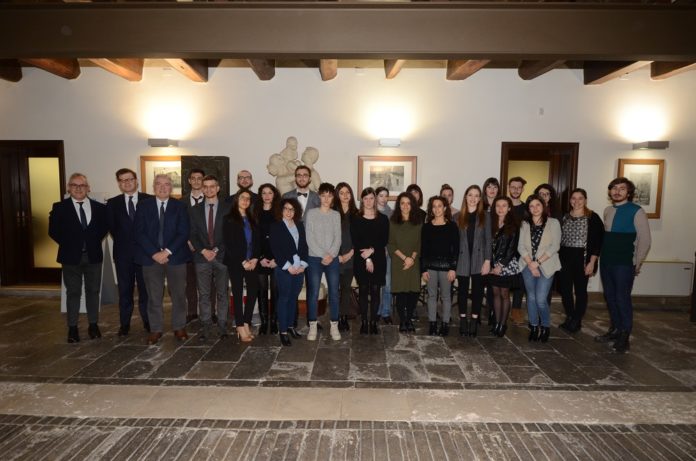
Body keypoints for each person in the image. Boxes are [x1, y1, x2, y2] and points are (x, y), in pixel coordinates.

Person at [49, 172, 109, 343]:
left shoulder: (99, 208)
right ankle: (73, 328)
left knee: (93, 291)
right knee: (73, 292)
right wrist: (71, 244)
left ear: (88, 188)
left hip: (93, 256)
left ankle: (93, 325)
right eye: (74, 185)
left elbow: (103, 229)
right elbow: (53, 231)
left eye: (82, 185)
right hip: (70, 258)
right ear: (69, 188)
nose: (78, 188)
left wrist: (90, 242)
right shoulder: (59, 207)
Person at [595, 177, 651, 353]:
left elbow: (645, 240)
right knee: (610, 297)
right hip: (607, 261)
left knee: (622, 299)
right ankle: (615, 330)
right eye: (614, 188)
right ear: (610, 191)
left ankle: (624, 337)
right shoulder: (608, 210)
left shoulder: (637, 211)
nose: (617, 191)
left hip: (624, 263)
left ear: (628, 192)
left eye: (622, 188)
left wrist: (637, 263)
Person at [135, 174, 191, 345]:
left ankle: (179, 327)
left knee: (179, 295)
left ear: (171, 188)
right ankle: (156, 329)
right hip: (150, 258)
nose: (162, 187)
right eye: (158, 184)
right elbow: (139, 232)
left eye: (166, 184)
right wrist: (154, 253)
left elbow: (184, 232)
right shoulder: (143, 206)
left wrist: (166, 252)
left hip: (175, 256)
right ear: (153, 187)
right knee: (154, 296)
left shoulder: (180, 206)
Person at [106, 168, 152, 337]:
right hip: (123, 255)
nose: (127, 182)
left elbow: (153, 226)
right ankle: (124, 324)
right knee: (125, 290)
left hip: (145, 254)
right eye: (123, 180)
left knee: (145, 290)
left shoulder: (149, 200)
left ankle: (148, 321)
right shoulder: (112, 203)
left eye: (130, 179)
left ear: (136, 181)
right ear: (119, 183)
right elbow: (112, 228)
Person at [189, 175, 232, 341]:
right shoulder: (194, 210)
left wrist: (215, 250)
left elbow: (230, 233)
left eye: (212, 186)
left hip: (222, 256)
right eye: (205, 187)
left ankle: (222, 324)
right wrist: (203, 250)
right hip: (202, 258)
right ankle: (206, 325)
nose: (208, 189)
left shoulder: (228, 208)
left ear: (218, 188)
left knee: (222, 293)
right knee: (204, 294)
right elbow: (191, 233)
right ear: (202, 189)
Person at [558, 188, 604, 333]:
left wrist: (592, 262)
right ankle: (570, 316)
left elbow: (598, 242)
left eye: (580, 198)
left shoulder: (592, 217)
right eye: (574, 198)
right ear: (570, 200)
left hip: (583, 259)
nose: (576, 201)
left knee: (580, 291)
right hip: (564, 258)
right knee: (565, 290)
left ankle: (577, 319)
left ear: (585, 200)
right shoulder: (564, 217)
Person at [518, 194, 561, 343]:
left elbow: (555, 246)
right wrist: (531, 263)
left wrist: (537, 263)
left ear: (543, 206)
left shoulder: (553, 223)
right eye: (531, 206)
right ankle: (534, 326)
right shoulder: (524, 224)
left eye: (538, 205)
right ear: (528, 209)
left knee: (541, 299)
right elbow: (520, 246)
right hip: (527, 264)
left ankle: (545, 326)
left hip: (547, 265)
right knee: (531, 297)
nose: (535, 208)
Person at [305, 183, 342, 341]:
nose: (326, 199)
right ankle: (313, 325)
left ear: (333, 197)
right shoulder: (311, 213)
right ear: (319, 196)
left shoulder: (336, 215)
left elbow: (338, 238)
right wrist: (322, 255)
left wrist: (331, 255)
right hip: (314, 258)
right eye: (323, 195)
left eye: (329, 195)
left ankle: (334, 325)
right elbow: (309, 237)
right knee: (313, 292)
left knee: (334, 292)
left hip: (332, 258)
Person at [223, 190, 261, 343]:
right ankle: (239, 325)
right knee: (237, 293)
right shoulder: (229, 219)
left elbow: (257, 241)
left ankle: (246, 322)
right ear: (236, 200)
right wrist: (243, 261)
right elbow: (229, 244)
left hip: (252, 262)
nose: (245, 200)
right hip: (236, 262)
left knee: (253, 291)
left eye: (248, 198)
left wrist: (255, 259)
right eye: (242, 198)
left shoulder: (252, 218)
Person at [351, 187, 390, 334]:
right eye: (365, 198)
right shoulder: (356, 218)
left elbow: (384, 240)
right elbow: (356, 241)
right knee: (363, 290)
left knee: (375, 290)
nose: (368, 201)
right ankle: (364, 322)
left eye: (371, 198)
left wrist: (372, 251)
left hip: (378, 258)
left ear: (375, 199)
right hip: (361, 258)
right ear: (362, 200)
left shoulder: (383, 219)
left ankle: (373, 322)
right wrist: (367, 259)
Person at [270, 198, 309, 346]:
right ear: (281, 210)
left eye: (292, 209)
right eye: (286, 208)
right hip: (284, 269)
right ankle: (283, 331)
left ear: (296, 211)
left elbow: (304, 246)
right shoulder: (276, 226)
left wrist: (303, 265)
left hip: (299, 268)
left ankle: (291, 326)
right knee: (284, 298)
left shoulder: (299, 225)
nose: (289, 212)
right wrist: (288, 266)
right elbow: (276, 249)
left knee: (293, 298)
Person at [455, 185, 492, 337]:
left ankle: (474, 320)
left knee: (477, 291)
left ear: (480, 199)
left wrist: (487, 261)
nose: (473, 198)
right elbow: (454, 242)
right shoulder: (457, 217)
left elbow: (488, 240)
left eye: (476, 195)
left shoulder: (485, 216)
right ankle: (463, 319)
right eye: (470, 195)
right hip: (462, 258)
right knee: (462, 291)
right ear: (466, 197)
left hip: (480, 259)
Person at [420, 196, 459, 336]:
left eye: (439, 206)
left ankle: (445, 324)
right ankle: (432, 324)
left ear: (445, 208)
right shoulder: (426, 227)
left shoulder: (452, 226)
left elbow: (456, 249)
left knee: (446, 296)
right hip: (430, 266)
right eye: (434, 206)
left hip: (446, 267)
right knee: (431, 296)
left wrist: (453, 268)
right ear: (431, 209)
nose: (437, 209)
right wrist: (423, 269)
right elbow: (423, 250)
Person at [388, 192, 422, 333]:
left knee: (413, 292)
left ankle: (409, 319)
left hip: (414, 262)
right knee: (401, 293)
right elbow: (391, 244)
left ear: (412, 205)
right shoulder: (393, 222)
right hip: (399, 262)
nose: (405, 206)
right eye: (402, 203)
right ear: (399, 205)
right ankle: (403, 321)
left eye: (408, 203)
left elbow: (419, 243)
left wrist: (412, 259)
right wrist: (405, 259)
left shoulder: (418, 222)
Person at [488, 196, 520, 338]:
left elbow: (512, 249)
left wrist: (500, 266)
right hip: (492, 265)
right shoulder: (491, 224)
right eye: (498, 206)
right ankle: (496, 322)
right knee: (495, 293)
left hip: (506, 265)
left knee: (504, 294)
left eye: (504, 206)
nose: (500, 208)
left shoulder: (513, 226)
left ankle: (503, 324)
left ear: (509, 208)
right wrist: (490, 264)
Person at [255, 183, 281, 335]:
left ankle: (274, 321)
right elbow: (252, 237)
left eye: (269, 193)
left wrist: (277, 258)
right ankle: (264, 322)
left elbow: (284, 237)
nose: (266, 196)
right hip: (260, 256)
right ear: (260, 195)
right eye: (264, 193)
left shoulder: (280, 212)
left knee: (276, 290)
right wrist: (259, 257)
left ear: (274, 195)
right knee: (262, 290)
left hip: (277, 257)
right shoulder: (255, 212)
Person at [181, 168, 206, 323]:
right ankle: (191, 312)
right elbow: (178, 225)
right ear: (189, 181)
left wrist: (202, 246)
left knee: (208, 282)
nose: (196, 181)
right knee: (189, 282)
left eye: (200, 178)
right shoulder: (180, 202)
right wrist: (188, 241)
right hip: (186, 248)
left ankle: (210, 312)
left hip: (205, 248)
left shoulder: (211, 199)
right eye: (193, 178)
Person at [333, 182, 358, 332]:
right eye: (341, 193)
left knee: (346, 288)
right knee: (334, 290)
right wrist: (337, 256)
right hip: (334, 258)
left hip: (351, 257)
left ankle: (343, 317)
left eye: (347, 192)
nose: (345, 195)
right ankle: (335, 317)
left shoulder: (357, 213)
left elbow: (360, 237)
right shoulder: (332, 212)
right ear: (337, 195)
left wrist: (351, 253)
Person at [507, 176, 528, 326]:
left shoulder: (527, 208)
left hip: (521, 250)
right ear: (509, 188)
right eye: (513, 187)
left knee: (520, 282)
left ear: (522, 189)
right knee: (502, 281)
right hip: (505, 248)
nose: (515, 190)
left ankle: (516, 310)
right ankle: (498, 309)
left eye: (518, 187)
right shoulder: (503, 205)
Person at [375, 186, 394, 324]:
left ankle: (386, 311)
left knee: (387, 284)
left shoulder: (392, 214)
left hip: (387, 254)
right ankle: (376, 311)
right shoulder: (370, 211)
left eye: (386, 196)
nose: (383, 198)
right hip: (373, 253)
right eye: (381, 195)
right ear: (376, 196)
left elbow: (393, 235)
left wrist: (387, 249)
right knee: (376, 284)